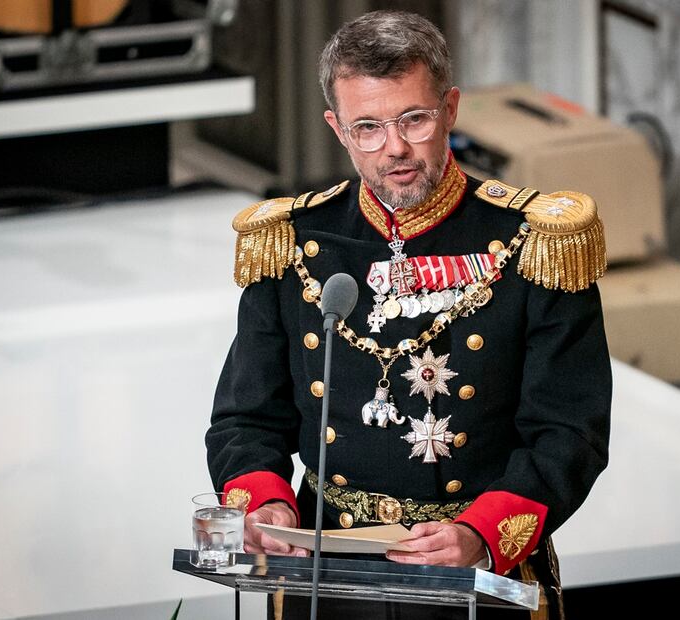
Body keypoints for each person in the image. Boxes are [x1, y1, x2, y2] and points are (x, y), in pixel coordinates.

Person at [206, 10, 611, 619]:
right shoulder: (292, 241)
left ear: (449, 108)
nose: (394, 147)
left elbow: (569, 431)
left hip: (474, 577)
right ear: (336, 129)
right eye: (366, 126)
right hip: (324, 579)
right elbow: (245, 418)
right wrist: (265, 503)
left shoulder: (534, 242)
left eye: (413, 118)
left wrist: (481, 533)